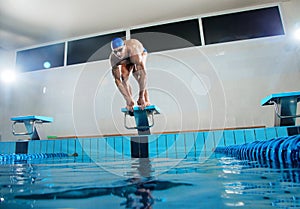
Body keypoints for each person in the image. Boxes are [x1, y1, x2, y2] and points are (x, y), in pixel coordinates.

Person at [109, 38, 150, 111]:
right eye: (115, 52)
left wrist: (141, 97)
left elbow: (143, 75)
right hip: (126, 59)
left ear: (124, 46)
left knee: (137, 74)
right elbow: (117, 80)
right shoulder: (113, 58)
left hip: (140, 53)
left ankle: (146, 99)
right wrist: (128, 99)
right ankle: (130, 102)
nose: (118, 54)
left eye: (120, 50)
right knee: (124, 77)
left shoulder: (134, 51)